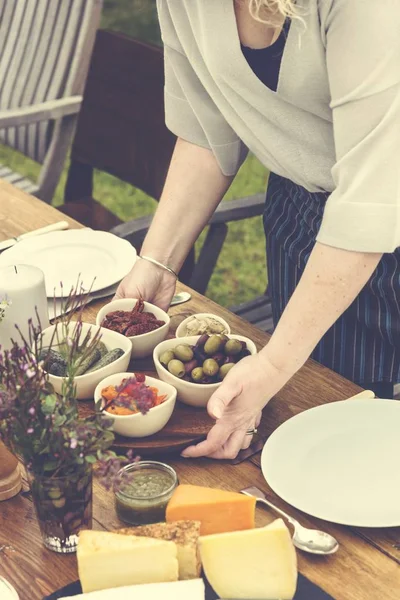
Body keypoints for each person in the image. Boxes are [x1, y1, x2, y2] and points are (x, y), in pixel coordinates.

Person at [115, 0, 400, 459]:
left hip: (384, 216)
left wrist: (272, 363)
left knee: (381, 456)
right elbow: (206, 126)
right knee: (318, 425)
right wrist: (157, 262)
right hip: (302, 218)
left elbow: (372, 196)